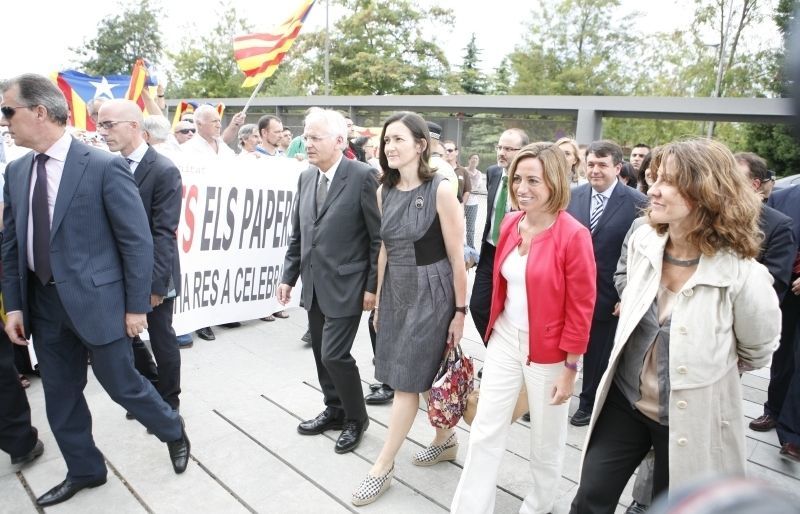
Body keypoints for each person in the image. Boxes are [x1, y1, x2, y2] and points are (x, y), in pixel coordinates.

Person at [0, 74, 189, 507]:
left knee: (124, 384)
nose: (5, 120)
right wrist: (13, 306)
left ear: (40, 112)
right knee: (61, 396)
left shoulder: (103, 166)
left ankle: (172, 429)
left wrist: (137, 305)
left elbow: (137, 241)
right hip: (43, 304)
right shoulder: (16, 170)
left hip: (99, 302)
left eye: (9, 110)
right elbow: (11, 244)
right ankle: (85, 469)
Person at [569, 138, 781, 513]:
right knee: (589, 498)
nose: (653, 189)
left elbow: (757, 349)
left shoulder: (744, 276)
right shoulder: (643, 241)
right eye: (655, 178)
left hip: (690, 418)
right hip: (625, 402)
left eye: (668, 181)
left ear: (704, 192)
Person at [451, 142, 596, 513]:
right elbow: (501, 284)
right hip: (504, 339)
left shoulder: (574, 235)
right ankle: (469, 507)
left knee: (546, 441)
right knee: (485, 427)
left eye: (534, 180)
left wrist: (570, 369)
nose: (522, 188)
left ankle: (538, 505)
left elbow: (582, 308)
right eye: (518, 179)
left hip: (550, 353)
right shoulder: (510, 222)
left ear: (555, 182)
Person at [351, 112, 468, 506]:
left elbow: (456, 257)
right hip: (397, 289)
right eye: (386, 142)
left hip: (432, 290)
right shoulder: (385, 191)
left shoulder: (441, 190)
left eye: (398, 139)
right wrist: (380, 299)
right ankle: (444, 439)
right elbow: (385, 248)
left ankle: (382, 466)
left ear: (421, 145)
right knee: (420, 371)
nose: (390, 147)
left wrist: (460, 311)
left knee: (406, 380)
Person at [277, 108, 380, 456]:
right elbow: (300, 233)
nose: (307, 144)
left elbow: (377, 238)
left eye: (315, 137)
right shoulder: (307, 178)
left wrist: (372, 286)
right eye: (306, 137)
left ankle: (356, 418)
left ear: (339, 141)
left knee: (334, 355)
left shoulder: (363, 176)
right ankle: (334, 409)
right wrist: (288, 276)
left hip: (349, 285)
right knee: (322, 357)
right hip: (314, 284)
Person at [96, 99, 184, 414]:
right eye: (99, 124)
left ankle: (170, 401)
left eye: (109, 124)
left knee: (161, 338)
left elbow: (164, 233)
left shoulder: (163, 169)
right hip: (116, 272)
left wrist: (156, 286)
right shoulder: (106, 166)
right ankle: (149, 390)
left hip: (155, 275)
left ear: (134, 126)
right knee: (127, 338)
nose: (102, 132)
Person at [566, 140, 648, 427]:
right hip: (570, 289)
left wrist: (627, 295)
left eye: (602, 165)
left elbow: (640, 256)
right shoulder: (571, 197)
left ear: (617, 167)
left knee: (598, 352)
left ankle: (588, 402)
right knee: (563, 346)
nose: (595, 170)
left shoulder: (639, 204)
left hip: (608, 293)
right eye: (590, 164)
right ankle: (555, 394)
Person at [470, 129, 529, 343]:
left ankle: (506, 360)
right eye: (500, 147)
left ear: (523, 151)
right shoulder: (494, 173)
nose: (502, 152)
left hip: (517, 252)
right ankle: (496, 351)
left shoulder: (528, 182)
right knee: (478, 306)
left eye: (508, 149)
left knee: (509, 307)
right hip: (491, 250)